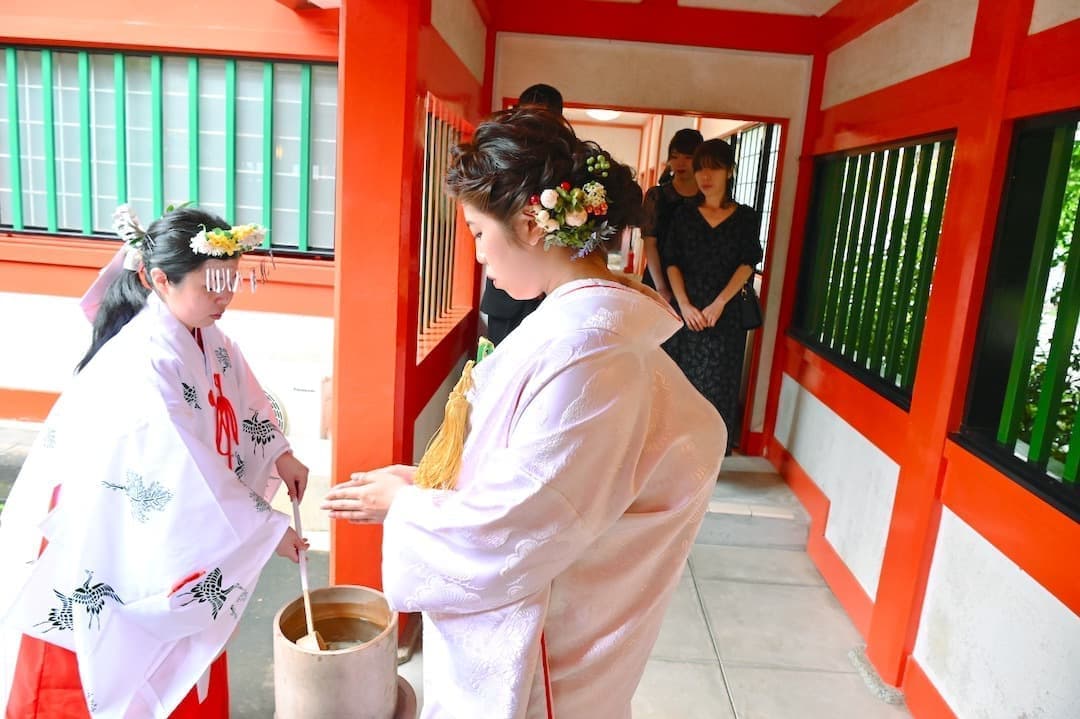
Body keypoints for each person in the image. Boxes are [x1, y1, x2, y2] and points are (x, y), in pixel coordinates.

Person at [322, 108, 726, 718]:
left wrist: (404, 507)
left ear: (534, 224)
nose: (479, 256)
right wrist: (428, 486)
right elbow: (538, 484)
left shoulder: (591, 353)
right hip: (552, 621)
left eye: (479, 233)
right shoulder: (582, 329)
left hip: (547, 648)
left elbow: (522, 525)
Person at [0, 205, 309, 718]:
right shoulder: (140, 361)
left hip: (172, 520)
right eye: (211, 284)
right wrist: (266, 529)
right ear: (159, 279)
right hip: (114, 523)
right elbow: (178, 469)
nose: (223, 297)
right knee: (109, 649)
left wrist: (279, 452)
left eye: (229, 281)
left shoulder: (206, 335)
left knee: (180, 642)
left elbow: (243, 396)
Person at [665, 139, 763, 455]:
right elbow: (671, 261)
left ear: (730, 171)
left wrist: (720, 302)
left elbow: (748, 262)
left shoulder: (746, 217)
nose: (706, 177)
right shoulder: (683, 214)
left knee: (719, 381)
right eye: (701, 169)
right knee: (680, 381)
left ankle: (709, 452)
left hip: (724, 314)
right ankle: (677, 451)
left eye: (714, 169)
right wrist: (683, 305)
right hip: (686, 312)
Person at [479, 83, 565, 345]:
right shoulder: (500, 158)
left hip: (551, 294)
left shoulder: (569, 163)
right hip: (506, 295)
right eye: (529, 115)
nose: (535, 125)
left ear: (559, 119)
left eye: (544, 117)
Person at [640, 128, 704, 305]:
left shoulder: (707, 198)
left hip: (696, 282)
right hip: (658, 276)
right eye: (675, 157)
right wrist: (661, 287)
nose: (680, 163)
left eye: (688, 157)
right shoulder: (656, 196)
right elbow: (650, 243)